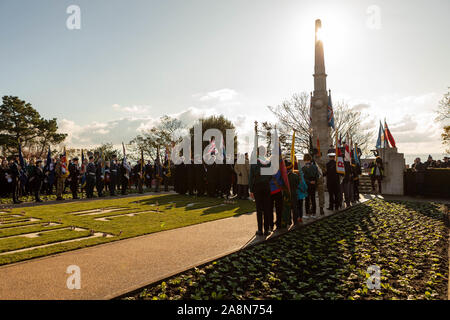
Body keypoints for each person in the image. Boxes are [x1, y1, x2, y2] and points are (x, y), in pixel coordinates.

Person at [249, 146, 272, 237]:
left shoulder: (254, 162)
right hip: (266, 186)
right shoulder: (268, 162)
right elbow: (270, 175)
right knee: (266, 208)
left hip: (257, 187)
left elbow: (251, 177)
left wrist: (251, 189)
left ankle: (260, 229)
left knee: (259, 209)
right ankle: (266, 230)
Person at [286, 159, 299, 227]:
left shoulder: (284, 177)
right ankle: (295, 221)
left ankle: (289, 221)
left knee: (288, 207)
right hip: (294, 192)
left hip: (287, 193)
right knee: (295, 207)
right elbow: (297, 184)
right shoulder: (295, 175)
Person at [313, 149, 326, 215]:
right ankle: (321, 208)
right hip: (320, 180)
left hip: (313, 181)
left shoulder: (311, 161)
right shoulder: (322, 161)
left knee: (312, 195)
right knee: (321, 195)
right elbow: (325, 171)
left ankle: (312, 208)